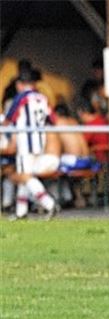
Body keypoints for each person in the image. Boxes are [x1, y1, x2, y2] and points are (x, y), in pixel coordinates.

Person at [3, 70, 57, 220]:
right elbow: (52, 119)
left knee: (24, 175)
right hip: (40, 141)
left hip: (25, 141)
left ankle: (49, 203)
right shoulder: (42, 97)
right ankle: (21, 211)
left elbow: (9, 120)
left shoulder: (21, 98)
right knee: (26, 173)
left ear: (19, 85)